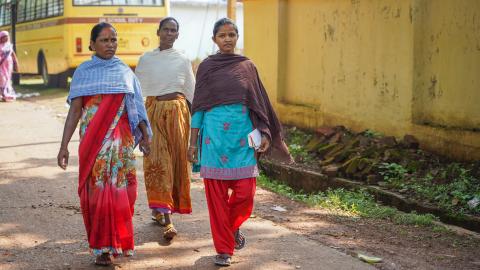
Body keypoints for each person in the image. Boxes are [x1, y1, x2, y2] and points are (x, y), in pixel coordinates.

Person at [187, 18, 292, 266]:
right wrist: (192, 144)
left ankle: (231, 228)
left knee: (246, 194)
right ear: (214, 39)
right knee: (217, 200)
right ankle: (224, 250)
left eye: (232, 34)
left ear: (237, 37)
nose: (227, 39)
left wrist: (265, 134)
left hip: (242, 140)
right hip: (213, 140)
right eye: (222, 35)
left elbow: (259, 104)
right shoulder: (206, 67)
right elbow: (199, 107)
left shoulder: (247, 66)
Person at [56, 22, 151, 266]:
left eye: (114, 40)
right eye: (105, 40)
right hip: (93, 142)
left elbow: (137, 108)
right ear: (92, 44)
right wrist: (63, 146)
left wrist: (146, 137)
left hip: (121, 144)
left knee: (124, 192)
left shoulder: (124, 71)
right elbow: (75, 111)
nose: (110, 45)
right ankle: (102, 249)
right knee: (97, 192)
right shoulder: (83, 71)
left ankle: (118, 240)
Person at [135, 17, 194, 240]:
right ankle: (167, 219)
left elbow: (191, 92)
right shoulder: (146, 59)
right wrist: (138, 126)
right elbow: (136, 92)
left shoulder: (183, 60)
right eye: (166, 30)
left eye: (173, 30)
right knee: (158, 161)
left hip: (178, 114)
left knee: (176, 163)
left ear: (177, 35)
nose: (169, 33)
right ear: (158, 32)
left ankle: (160, 209)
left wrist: (197, 128)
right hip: (153, 113)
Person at [0, 31, 18, 102]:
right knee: (2, 79)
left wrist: (16, 63)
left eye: (7, 37)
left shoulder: (9, 45)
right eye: (4, 37)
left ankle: (5, 94)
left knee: (7, 79)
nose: (6, 38)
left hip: (8, 66)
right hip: (1, 65)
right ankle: (3, 93)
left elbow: (13, 54)